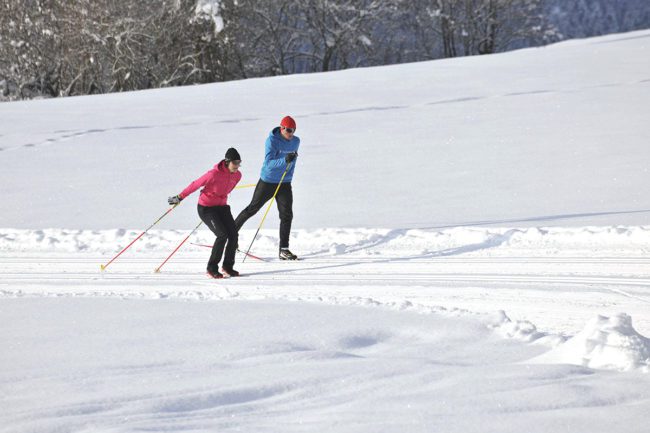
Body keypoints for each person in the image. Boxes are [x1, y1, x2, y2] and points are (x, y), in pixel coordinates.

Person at [168, 148, 242, 278]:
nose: (237, 166)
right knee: (222, 235)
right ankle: (212, 268)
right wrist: (179, 197)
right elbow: (195, 184)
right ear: (227, 162)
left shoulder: (238, 175)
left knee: (233, 235)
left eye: (239, 163)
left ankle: (228, 267)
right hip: (207, 208)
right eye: (235, 163)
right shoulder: (213, 174)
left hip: (222, 207)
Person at [235, 116, 300, 260]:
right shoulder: (271, 141)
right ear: (282, 128)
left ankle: (284, 249)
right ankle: (231, 236)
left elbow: (292, 162)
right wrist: (285, 159)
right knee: (252, 209)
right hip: (268, 180)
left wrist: (289, 169)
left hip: (284, 182)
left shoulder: (296, 141)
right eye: (289, 130)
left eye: (294, 130)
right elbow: (269, 163)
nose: (291, 134)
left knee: (287, 215)